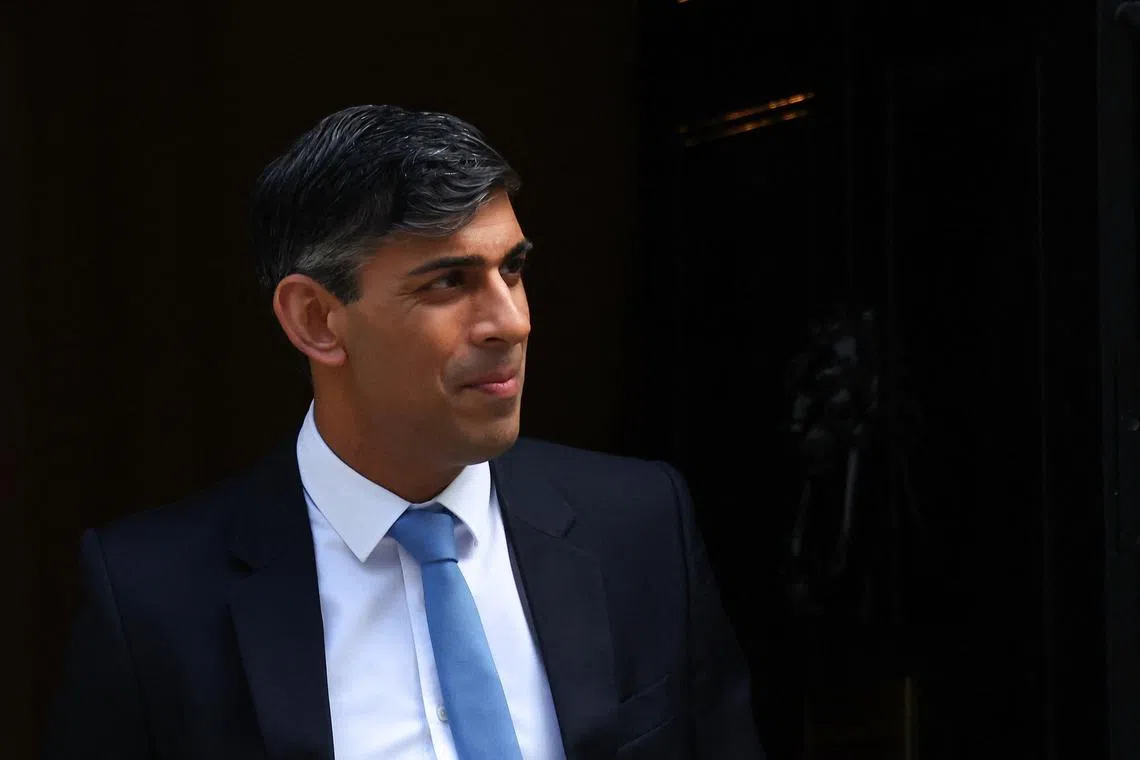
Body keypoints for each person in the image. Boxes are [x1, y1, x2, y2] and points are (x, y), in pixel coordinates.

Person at [41, 104, 764, 760]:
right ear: (316, 320)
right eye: (448, 282)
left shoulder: (640, 524)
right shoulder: (152, 597)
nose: (512, 321)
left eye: (513, 269)